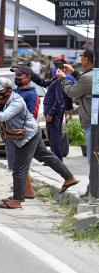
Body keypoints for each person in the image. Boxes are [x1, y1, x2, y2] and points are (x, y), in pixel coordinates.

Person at [0, 77, 79, 208]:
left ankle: (17, 200)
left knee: (19, 168)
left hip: (28, 135)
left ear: (9, 91)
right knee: (46, 156)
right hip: (28, 133)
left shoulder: (17, 101)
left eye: (1, 91)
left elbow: (3, 116)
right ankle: (69, 178)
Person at [56, 47, 93, 196]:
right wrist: (74, 73)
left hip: (92, 122)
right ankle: (92, 189)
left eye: (82, 56)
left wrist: (64, 78)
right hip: (93, 120)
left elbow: (72, 92)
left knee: (93, 159)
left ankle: (93, 191)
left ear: (88, 58)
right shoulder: (92, 75)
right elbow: (87, 84)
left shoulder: (87, 77)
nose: (80, 58)